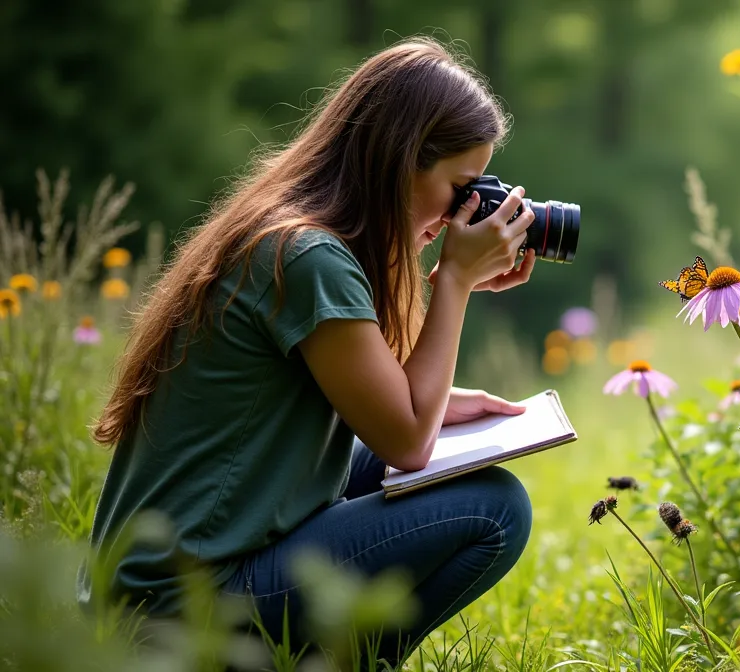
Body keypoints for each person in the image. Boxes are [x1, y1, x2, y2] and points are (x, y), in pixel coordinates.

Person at [79, 38, 536, 666]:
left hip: (159, 582)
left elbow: (369, 396)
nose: (466, 210)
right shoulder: (309, 256)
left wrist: (443, 341)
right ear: (402, 161)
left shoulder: (293, 229)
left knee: (389, 457)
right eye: (460, 188)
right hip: (179, 605)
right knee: (496, 508)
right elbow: (407, 441)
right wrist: (454, 283)